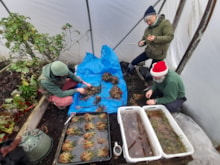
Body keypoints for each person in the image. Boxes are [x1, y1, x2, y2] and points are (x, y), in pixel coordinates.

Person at [124, 5, 174, 80]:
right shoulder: (148, 29)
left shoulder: (165, 24)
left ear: (155, 16)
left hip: (159, 54)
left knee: (152, 72)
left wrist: (155, 38)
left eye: (149, 20)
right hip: (149, 51)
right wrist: (141, 43)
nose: (148, 23)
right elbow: (144, 40)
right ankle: (127, 72)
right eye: (146, 21)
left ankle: (149, 85)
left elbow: (170, 37)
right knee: (135, 61)